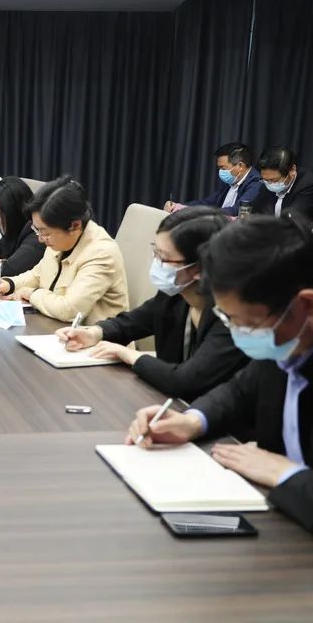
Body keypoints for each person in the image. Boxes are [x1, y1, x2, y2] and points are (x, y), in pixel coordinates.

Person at [125, 214, 313, 532]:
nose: (238, 332)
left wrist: (285, 473)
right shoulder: (286, 345)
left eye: (246, 323)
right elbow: (239, 391)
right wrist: (191, 421)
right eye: (228, 319)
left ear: (305, 305)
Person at [58, 207, 248, 398]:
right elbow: (132, 322)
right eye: (155, 252)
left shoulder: (234, 315)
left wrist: (132, 356)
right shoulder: (176, 294)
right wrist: (94, 333)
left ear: (198, 268)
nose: (156, 262)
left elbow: (185, 381)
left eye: (163, 257)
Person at [0, 176, 128, 324]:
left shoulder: (101, 253)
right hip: (56, 326)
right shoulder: (61, 240)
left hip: (91, 335)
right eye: (37, 230)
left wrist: (32, 294)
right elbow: (37, 275)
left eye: (45, 232)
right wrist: (9, 284)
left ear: (75, 226)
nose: (40, 239)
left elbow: (70, 310)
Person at [165, 143, 261, 216]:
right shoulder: (231, 180)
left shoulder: (256, 183)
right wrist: (179, 207)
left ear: (240, 166)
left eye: (223, 168)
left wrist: (199, 213)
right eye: (219, 168)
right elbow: (208, 203)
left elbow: (236, 210)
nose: (220, 172)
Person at [252, 147, 313, 219]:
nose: (269, 184)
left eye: (274, 180)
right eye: (265, 180)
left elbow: (294, 218)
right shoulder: (266, 182)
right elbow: (255, 210)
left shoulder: (307, 184)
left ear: (292, 170)